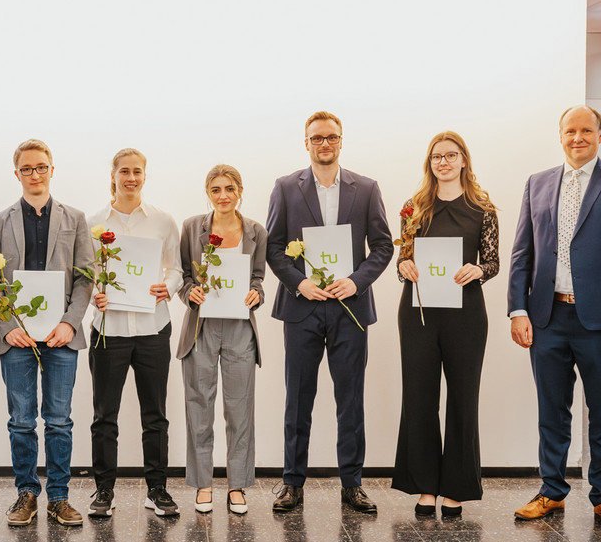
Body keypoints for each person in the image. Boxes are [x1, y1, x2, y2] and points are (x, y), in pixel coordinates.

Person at [509, 105, 601, 532]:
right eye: (570, 131)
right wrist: (518, 309)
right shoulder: (537, 183)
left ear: (600, 135)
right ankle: (552, 490)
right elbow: (522, 253)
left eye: (586, 131)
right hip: (547, 317)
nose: (578, 138)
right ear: (560, 136)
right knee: (551, 412)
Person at [265, 110, 394, 513]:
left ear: (341, 140)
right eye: (317, 138)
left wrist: (356, 281)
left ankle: (352, 484)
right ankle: (292, 483)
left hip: (349, 308)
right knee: (297, 399)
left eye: (331, 137)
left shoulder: (366, 188)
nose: (325, 144)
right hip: (302, 307)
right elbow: (273, 247)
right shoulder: (286, 187)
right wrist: (299, 282)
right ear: (306, 143)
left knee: (350, 399)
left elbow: (383, 246)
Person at [0, 139, 94, 527]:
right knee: (21, 421)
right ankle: (27, 494)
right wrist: (8, 327)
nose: (35, 174)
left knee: (60, 420)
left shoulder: (75, 218)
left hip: (62, 335)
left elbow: (85, 278)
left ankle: (59, 497)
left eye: (41, 167)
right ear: (17, 174)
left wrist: (70, 322)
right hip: (18, 338)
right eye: (27, 168)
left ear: (51, 169)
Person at [391, 131, 499, 516]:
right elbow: (403, 260)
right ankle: (424, 486)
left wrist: (479, 270)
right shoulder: (413, 207)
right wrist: (404, 266)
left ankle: (456, 487)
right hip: (419, 313)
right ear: (430, 162)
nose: (444, 162)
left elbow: (493, 262)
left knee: (463, 399)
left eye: (451, 155)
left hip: (466, 314)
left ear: (464, 159)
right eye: (437, 156)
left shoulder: (483, 208)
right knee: (419, 397)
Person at [86, 148, 182, 518]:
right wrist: (95, 294)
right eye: (124, 171)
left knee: (155, 415)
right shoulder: (94, 222)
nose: (131, 178)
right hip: (108, 331)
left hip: (152, 329)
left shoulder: (163, 221)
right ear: (112, 176)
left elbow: (176, 269)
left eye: (137, 171)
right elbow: (86, 272)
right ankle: (104, 490)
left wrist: (167, 287)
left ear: (145, 175)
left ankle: (157, 489)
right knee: (104, 416)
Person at [176, 164, 267, 515]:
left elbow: (257, 278)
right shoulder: (191, 228)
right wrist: (189, 292)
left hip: (240, 327)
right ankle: (203, 484)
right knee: (199, 406)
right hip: (201, 326)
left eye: (230, 188)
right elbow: (184, 277)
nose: (223, 195)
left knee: (240, 409)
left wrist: (256, 294)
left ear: (240, 191)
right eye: (216, 189)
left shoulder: (256, 231)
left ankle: (237, 485)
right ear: (208, 193)